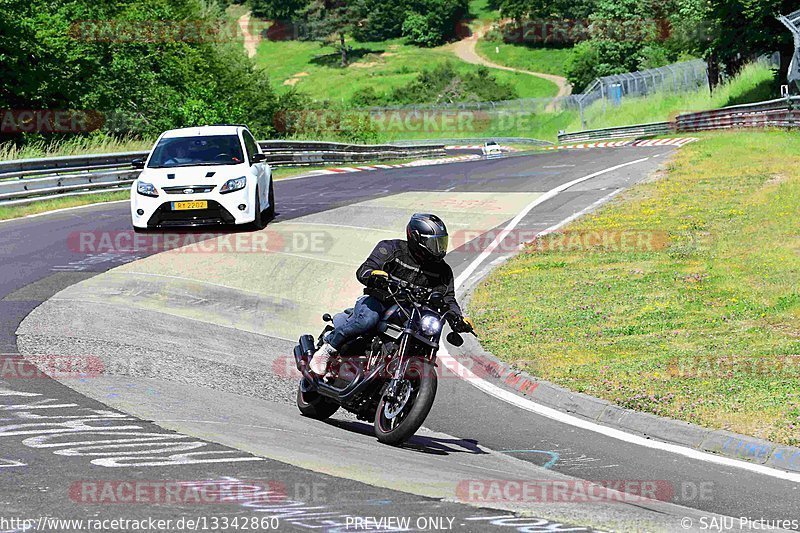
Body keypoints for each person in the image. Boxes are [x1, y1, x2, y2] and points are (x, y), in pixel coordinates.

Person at [309, 213, 474, 376]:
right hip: (379, 301)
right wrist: (374, 276)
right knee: (368, 319)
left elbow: (448, 298)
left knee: (427, 334)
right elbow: (364, 270)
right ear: (417, 238)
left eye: (440, 242)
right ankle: (327, 349)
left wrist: (457, 318)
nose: (438, 249)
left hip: (412, 314)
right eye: (433, 243)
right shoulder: (391, 249)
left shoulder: (442, 271)